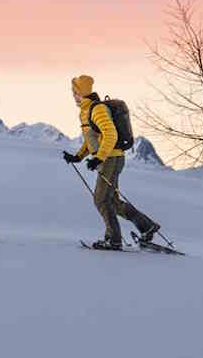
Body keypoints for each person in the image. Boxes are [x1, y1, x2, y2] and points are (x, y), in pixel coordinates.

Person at [62, 74, 160, 250]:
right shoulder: (86, 110)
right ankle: (147, 226)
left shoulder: (97, 109)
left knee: (100, 199)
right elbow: (91, 138)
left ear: (80, 92)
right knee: (112, 201)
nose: (72, 95)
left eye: (74, 92)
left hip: (111, 159)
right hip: (109, 158)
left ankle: (113, 239)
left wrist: (99, 157)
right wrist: (78, 156)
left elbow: (111, 134)